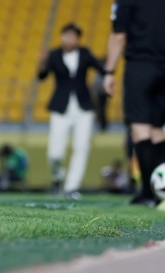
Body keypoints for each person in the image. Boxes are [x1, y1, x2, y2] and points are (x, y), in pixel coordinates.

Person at [103, 0, 165, 208]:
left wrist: (109, 71)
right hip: (163, 68)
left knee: (140, 132)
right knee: (158, 131)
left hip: (139, 67)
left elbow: (118, 37)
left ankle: (148, 194)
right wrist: (164, 68)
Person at [37, 23, 105, 198]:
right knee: (54, 153)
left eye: (74, 36)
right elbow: (41, 76)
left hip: (83, 108)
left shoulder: (85, 53)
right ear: (62, 37)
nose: (70, 39)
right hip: (61, 107)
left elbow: (101, 68)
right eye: (67, 35)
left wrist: (110, 63)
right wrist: (42, 62)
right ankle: (57, 178)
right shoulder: (54, 54)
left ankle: (71, 187)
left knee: (81, 147)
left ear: (78, 39)